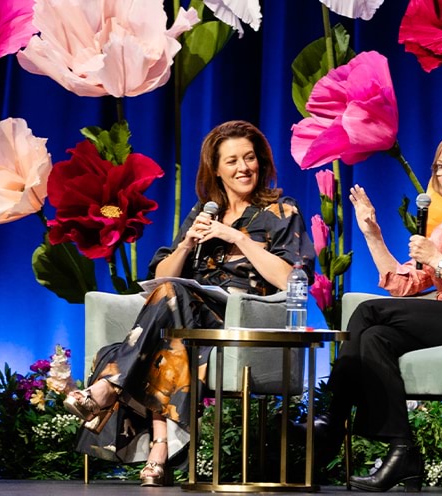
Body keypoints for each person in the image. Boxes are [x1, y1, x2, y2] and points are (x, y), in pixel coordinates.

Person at [64, 120, 315, 486]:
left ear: (260, 161)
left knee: (166, 308)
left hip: (242, 315)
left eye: (249, 158)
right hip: (188, 314)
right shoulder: (205, 211)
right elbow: (164, 273)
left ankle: (107, 388)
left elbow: (291, 278)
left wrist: (236, 238)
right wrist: (186, 244)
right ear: (216, 168)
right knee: (169, 314)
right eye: (232, 161)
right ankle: (159, 452)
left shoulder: (281, 210)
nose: (243, 167)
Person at [316, 131, 442, 492]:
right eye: (440, 167)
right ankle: (402, 451)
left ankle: (331, 419)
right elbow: (404, 285)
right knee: (377, 338)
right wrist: (372, 234)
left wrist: (439, 262)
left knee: (368, 312)